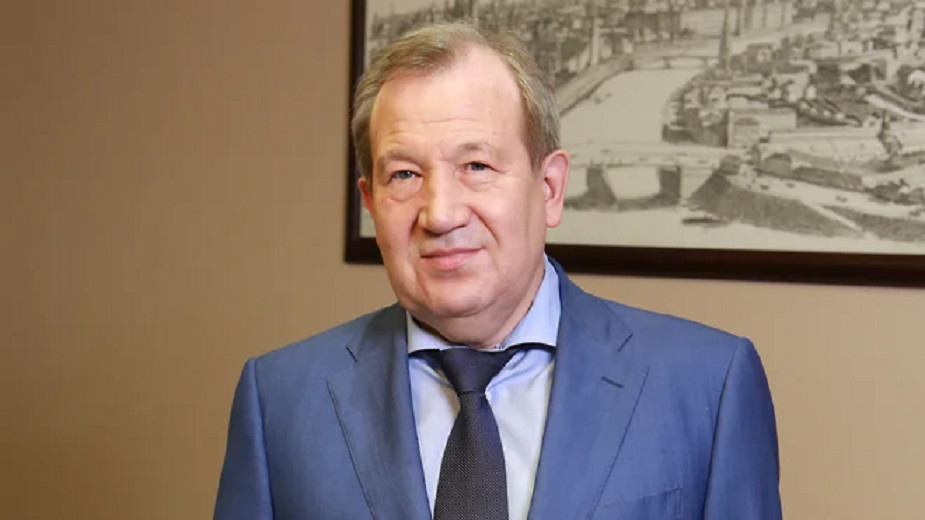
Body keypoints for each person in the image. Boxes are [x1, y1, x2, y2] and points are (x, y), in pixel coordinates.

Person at [214, 22, 782, 520]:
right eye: (405, 175)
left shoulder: (707, 385)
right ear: (371, 202)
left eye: (476, 165)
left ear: (549, 188)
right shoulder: (280, 400)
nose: (440, 214)